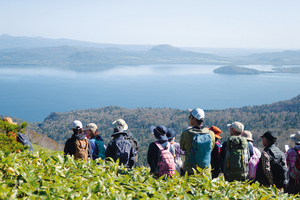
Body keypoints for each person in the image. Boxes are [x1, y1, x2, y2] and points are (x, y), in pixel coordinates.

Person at [180, 108, 215, 176]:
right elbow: (211, 149)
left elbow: (182, 148)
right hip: (205, 171)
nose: (189, 118)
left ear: (194, 119)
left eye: (190, 117)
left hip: (189, 170)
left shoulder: (186, 133)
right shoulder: (211, 134)